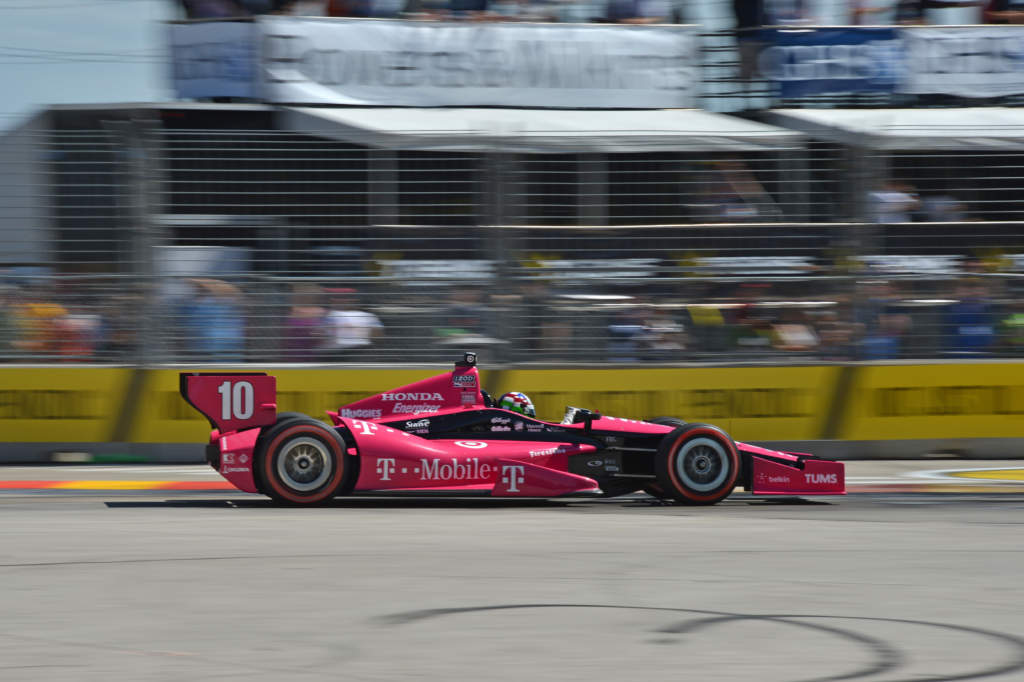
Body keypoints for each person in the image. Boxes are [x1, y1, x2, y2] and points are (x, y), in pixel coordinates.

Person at [322, 287, 383, 362]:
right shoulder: (324, 315)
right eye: (335, 297)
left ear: (353, 299)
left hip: (358, 354)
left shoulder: (367, 316)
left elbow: (377, 336)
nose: (339, 300)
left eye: (344, 297)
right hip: (331, 355)